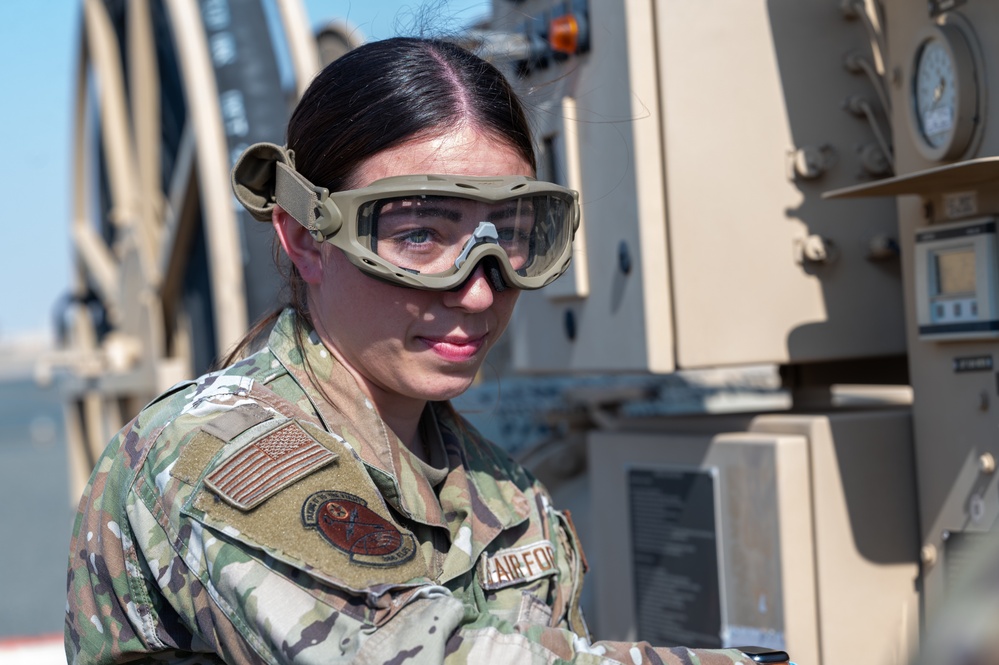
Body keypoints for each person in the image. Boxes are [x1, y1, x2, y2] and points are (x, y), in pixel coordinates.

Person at [65, 37, 782, 664]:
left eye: (509, 235)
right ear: (306, 238)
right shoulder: (217, 450)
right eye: (417, 237)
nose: (476, 291)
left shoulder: (498, 487)